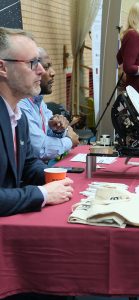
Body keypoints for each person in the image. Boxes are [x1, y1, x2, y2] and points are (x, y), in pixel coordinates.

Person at [0, 26, 73, 299]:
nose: (41, 70)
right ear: (2, 68)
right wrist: (43, 193)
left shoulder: (15, 113)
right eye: (32, 63)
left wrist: (62, 178)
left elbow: (30, 167)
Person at [18, 48, 79, 162]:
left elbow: (50, 132)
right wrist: (69, 140)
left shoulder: (38, 100)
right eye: (46, 67)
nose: (53, 72)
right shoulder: (21, 105)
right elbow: (41, 150)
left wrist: (57, 130)